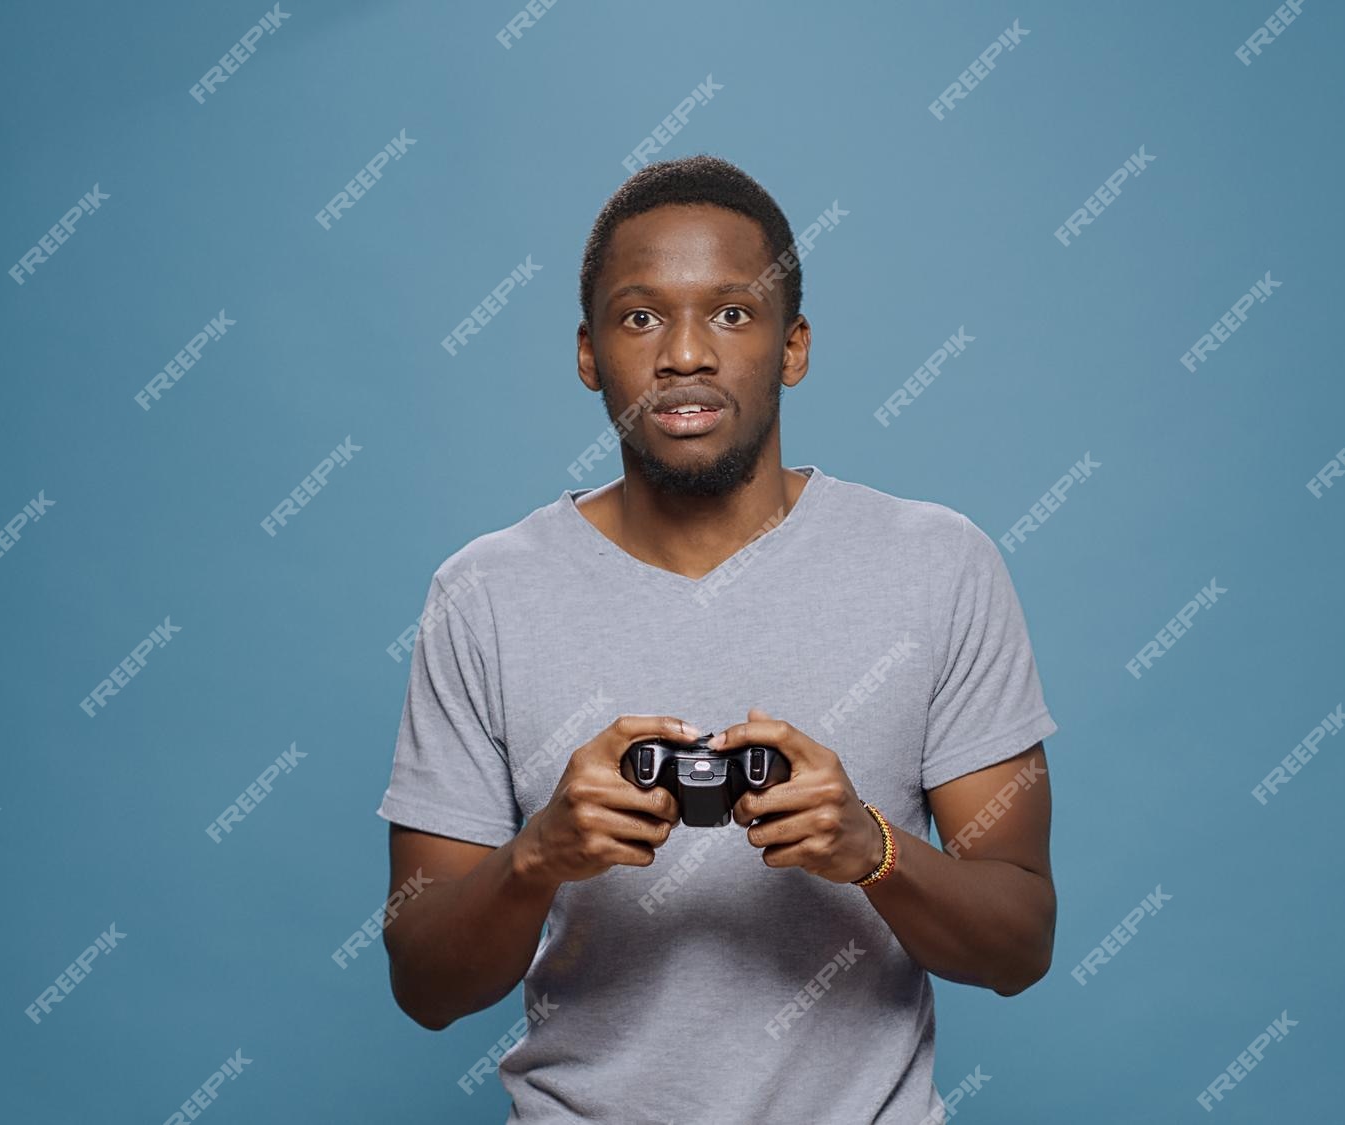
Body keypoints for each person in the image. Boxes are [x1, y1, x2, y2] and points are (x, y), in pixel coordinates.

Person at [378, 153, 1058, 1124]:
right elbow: (425, 987)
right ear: (587, 355)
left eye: (731, 313)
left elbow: (1020, 945)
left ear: (793, 348)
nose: (684, 355)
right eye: (640, 316)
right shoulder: (484, 594)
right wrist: (537, 856)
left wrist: (872, 850)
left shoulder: (937, 566)